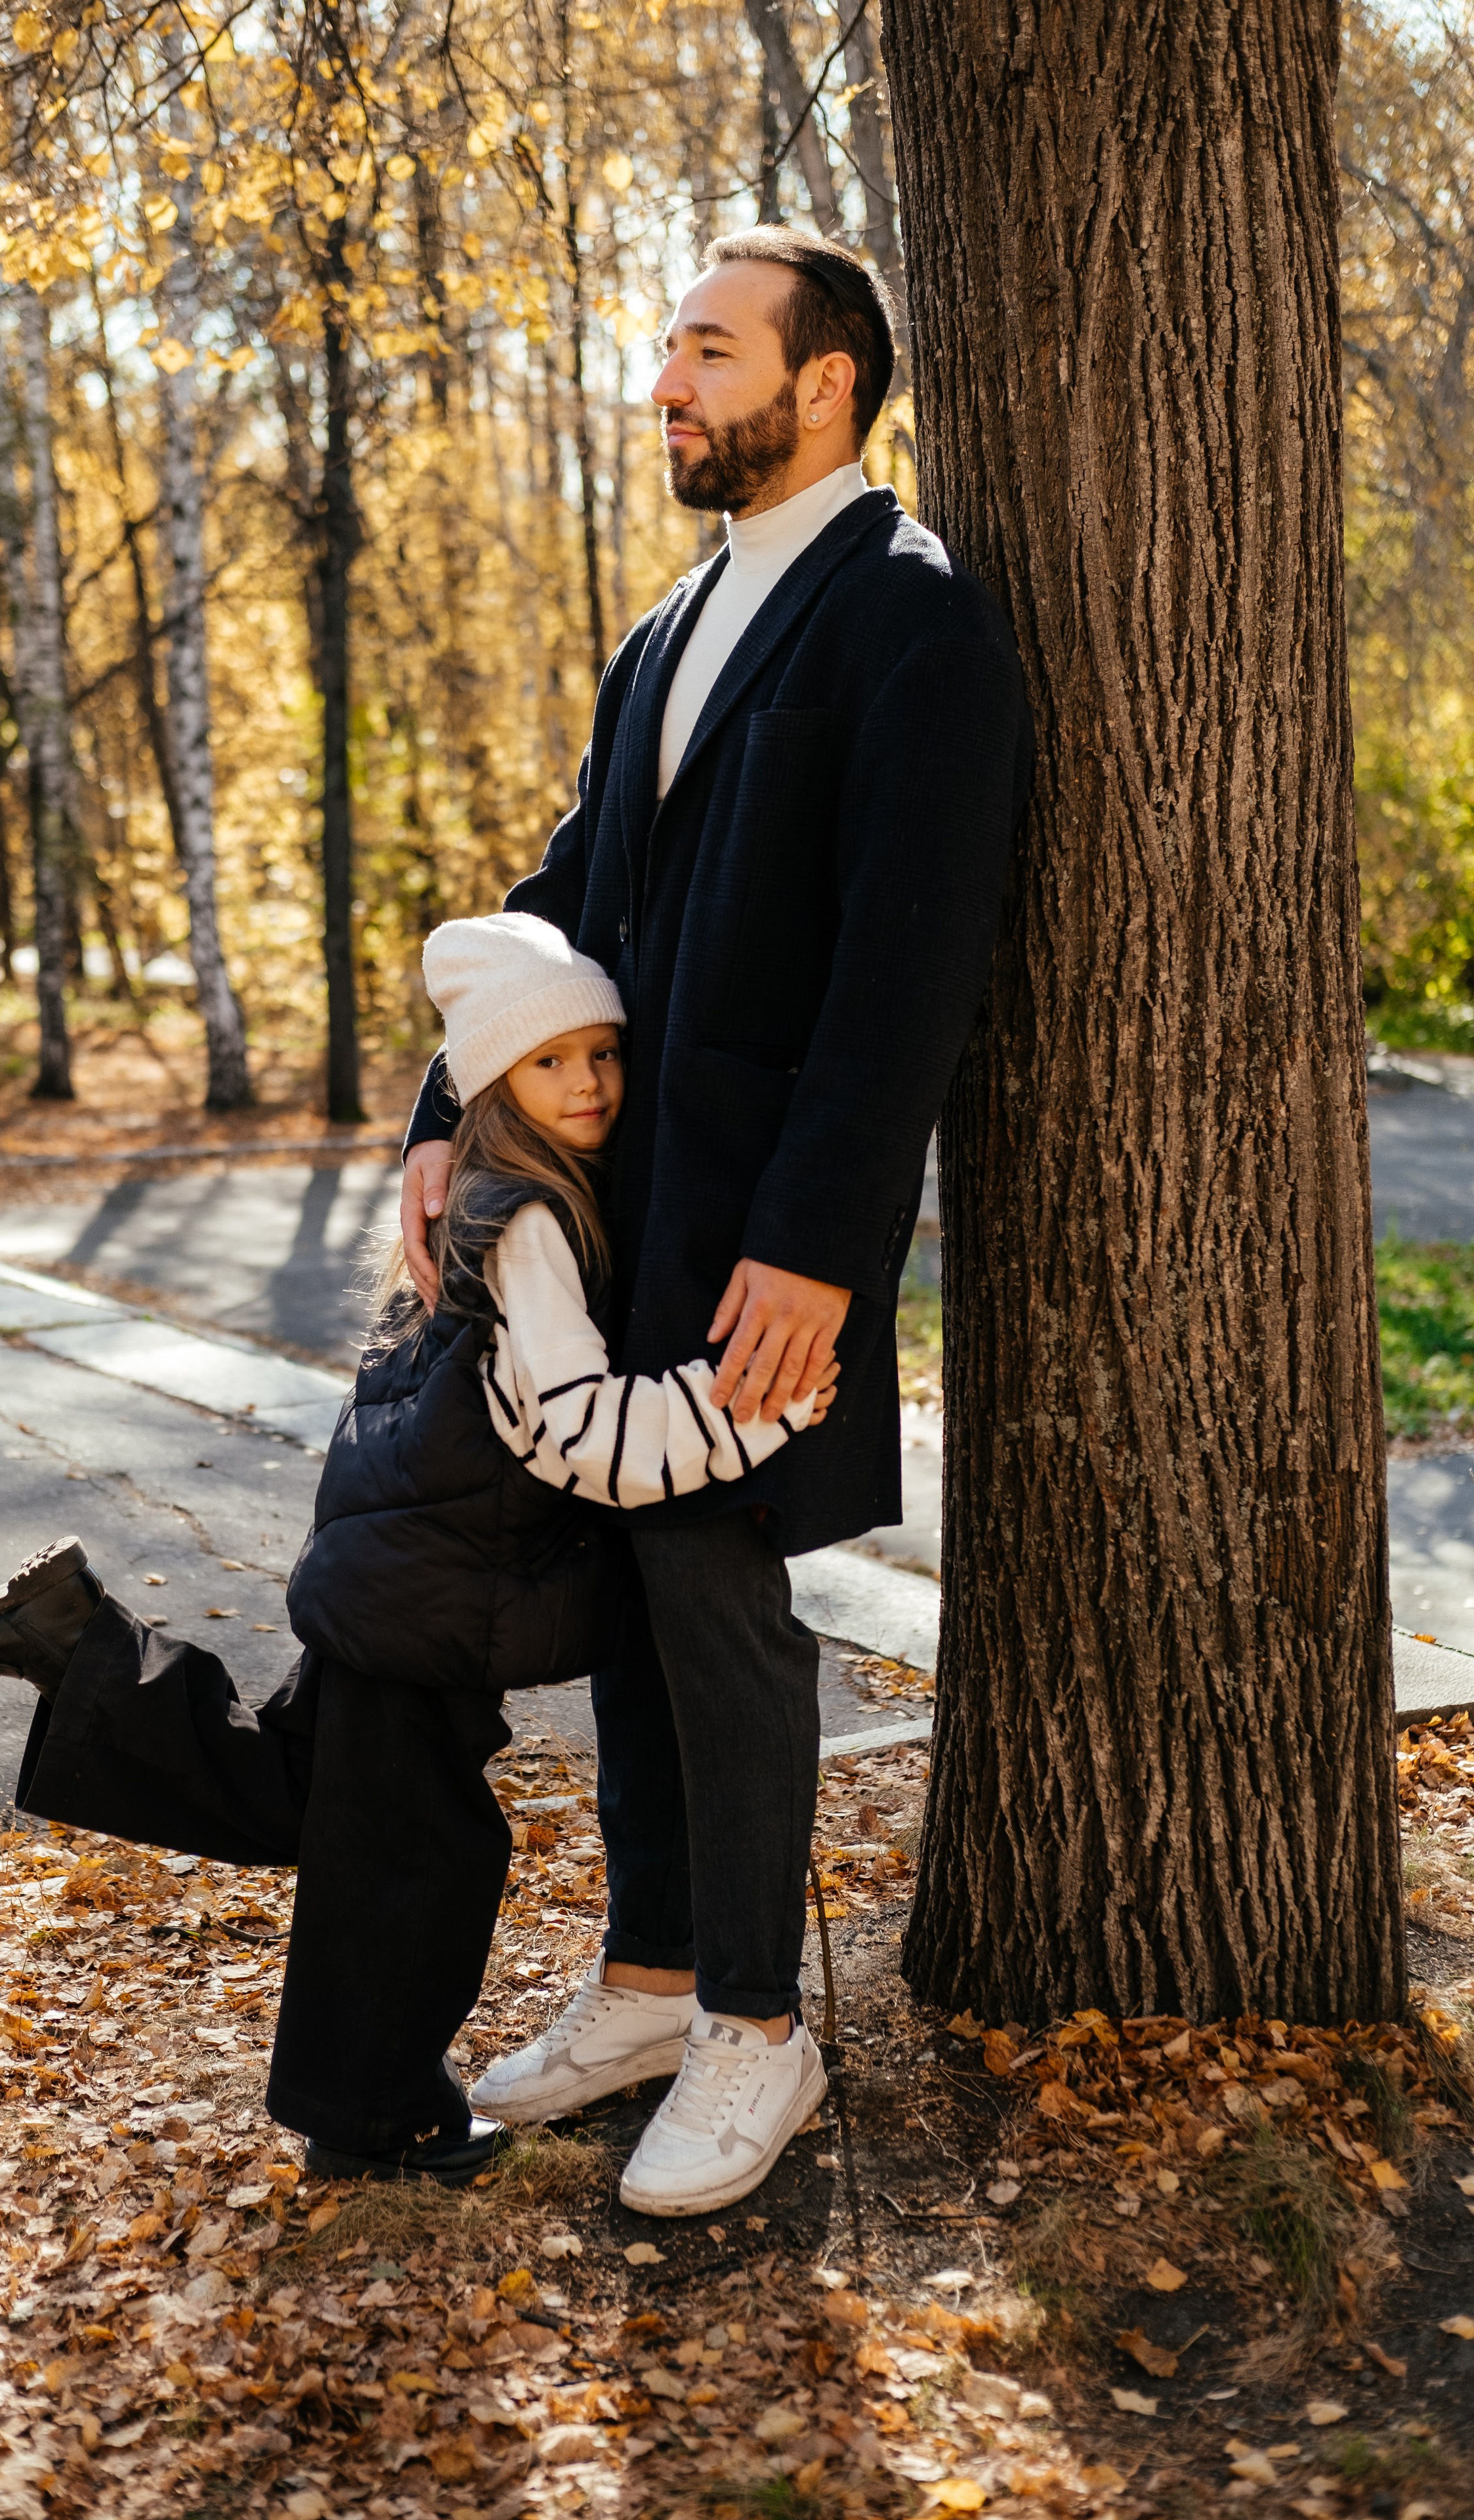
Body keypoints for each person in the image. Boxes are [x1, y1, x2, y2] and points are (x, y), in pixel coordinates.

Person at [404, 229, 1032, 2214]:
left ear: (823, 381)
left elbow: (906, 969)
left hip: (768, 1237)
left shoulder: (910, 622)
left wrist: (823, 1244)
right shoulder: (671, 626)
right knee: (633, 1611)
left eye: (704, 349)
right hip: (624, 1217)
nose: (664, 384)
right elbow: (573, 887)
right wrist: (451, 1112)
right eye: (666, 349)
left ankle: (764, 2031)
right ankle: (659, 1984)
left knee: (724, 1610)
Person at [0, 913, 833, 2196]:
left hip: (392, 1575)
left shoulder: (494, 1202)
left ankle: (73, 1641)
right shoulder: (531, 1230)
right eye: (551, 1064)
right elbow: (580, 1437)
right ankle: (376, 2125)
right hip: (428, 1606)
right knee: (417, 1865)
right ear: (495, 1085)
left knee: (295, 1791)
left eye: (603, 1054)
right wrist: (752, 1410)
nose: (591, 1084)